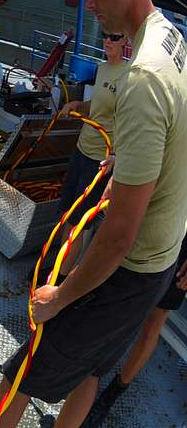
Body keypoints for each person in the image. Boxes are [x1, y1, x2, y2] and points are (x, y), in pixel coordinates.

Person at [0, 0, 187, 428]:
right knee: (89, 368)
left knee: (19, 378)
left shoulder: (144, 77)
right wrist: (133, 160)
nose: (90, 6)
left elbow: (118, 232)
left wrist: (60, 297)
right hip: (160, 256)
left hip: (128, 269)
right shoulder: (174, 40)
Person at [68, 236, 187, 428]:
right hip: (160, 226)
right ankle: (81, 370)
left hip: (181, 252)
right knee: (118, 298)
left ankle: (111, 395)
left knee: (153, 324)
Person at [33, 31, 129, 279]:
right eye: (106, 35)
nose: (108, 40)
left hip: (100, 160)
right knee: (66, 212)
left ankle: (58, 280)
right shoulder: (103, 68)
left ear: (126, 41)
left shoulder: (129, 77)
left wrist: (118, 156)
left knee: (77, 222)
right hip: (81, 149)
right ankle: (56, 266)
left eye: (115, 37)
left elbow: (132, 122)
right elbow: (97, 108)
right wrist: (78, 106)